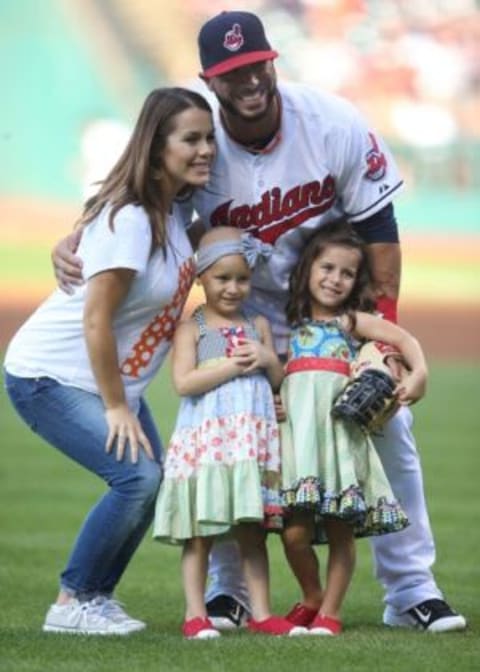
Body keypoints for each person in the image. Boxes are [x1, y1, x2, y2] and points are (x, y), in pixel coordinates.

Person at [50, 11, 466, 633]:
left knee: (387, 426)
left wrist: (383, 334)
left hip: (326, 308)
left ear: (273, 61)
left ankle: (410, 590)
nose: (247, 81)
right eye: (230, 73)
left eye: (255, 66)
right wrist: (81, 231)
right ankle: (231, 592)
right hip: (241, 314)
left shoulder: (332, 122)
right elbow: (139, 184)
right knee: (231, 436)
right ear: (209, 81)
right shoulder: (198, 137)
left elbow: (379, 227)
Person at [3, 87, 216, 635]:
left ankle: (92, 599)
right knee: (137, 479)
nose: (205, 149)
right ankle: (72, 602)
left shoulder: (173, 210)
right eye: (191, 139)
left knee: (150, 480)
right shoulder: (135, 220)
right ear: (156, 146)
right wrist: (119, 405)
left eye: (208, 138)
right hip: (49, 375)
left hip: (103, 382)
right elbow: (95, 319)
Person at [153, 226, 307, 639]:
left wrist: (264, 358)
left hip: (250, 447)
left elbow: (277, 377)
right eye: (223, 278)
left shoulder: (257, 324)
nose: (233, 287)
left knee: (252, 533)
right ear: (202, 278)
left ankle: (260, 613)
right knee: (201, 534)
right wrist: (233, 366)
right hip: (209, 443)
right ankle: (195, 615)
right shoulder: (193, 328)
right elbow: (184, 383)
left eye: (242, 278)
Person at [279, 221, 428, 636]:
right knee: (294, 534)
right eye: (327, 268)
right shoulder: (287, 322)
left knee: (342, 528)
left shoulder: (350, 322)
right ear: (307, 268)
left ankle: (330, 611)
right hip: (301, 445)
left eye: (347, 273)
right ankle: (311, 595)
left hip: (340, 442)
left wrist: (421, 373)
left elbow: (404, 339)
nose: (335, 279)